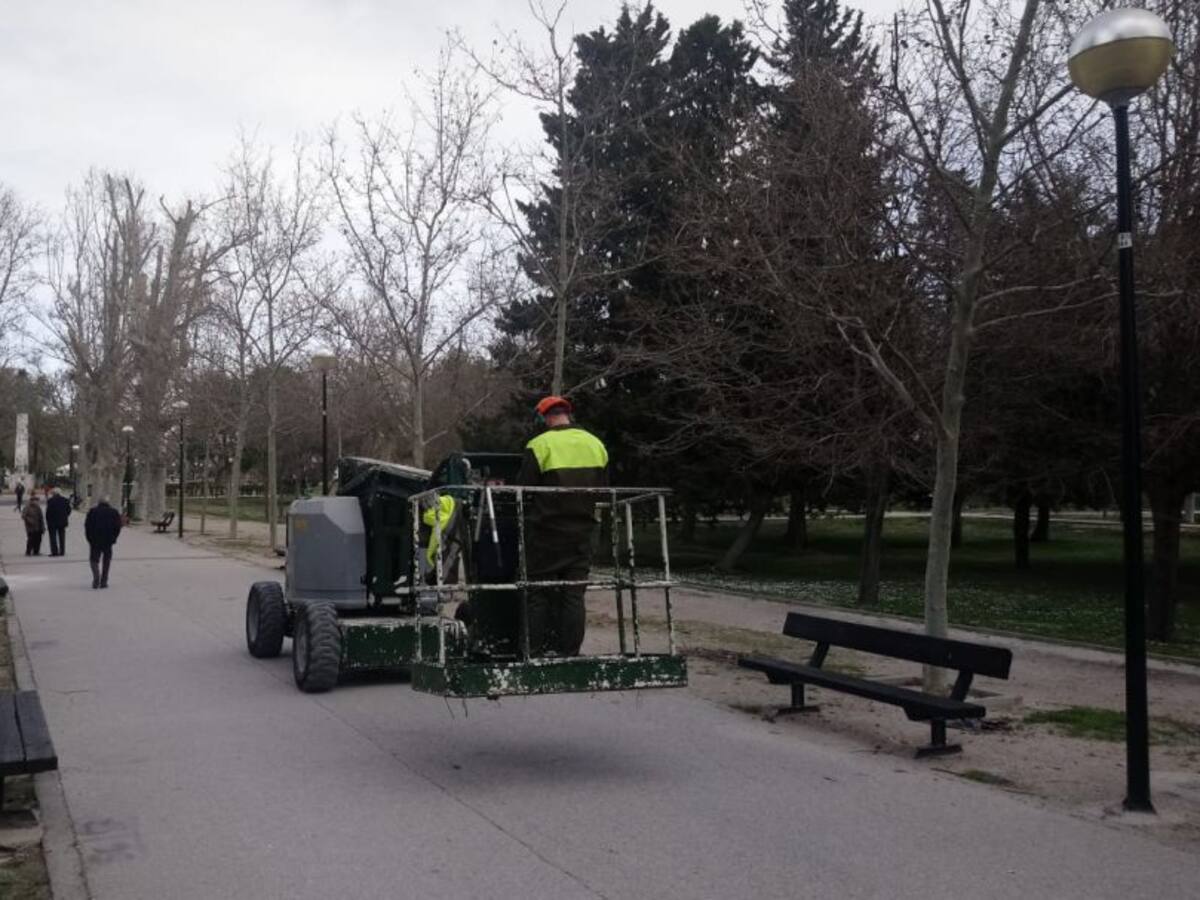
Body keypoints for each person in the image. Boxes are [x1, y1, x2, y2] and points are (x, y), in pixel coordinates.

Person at [515, 395, 608, 656]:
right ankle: (570, 653)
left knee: (537, 593)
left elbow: (524, 488)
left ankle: (533, 652)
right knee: (573, 595)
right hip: (583, 533)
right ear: (568, 414)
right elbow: (602, 489)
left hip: (546, 533)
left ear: (544, 417)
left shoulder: (539, 444)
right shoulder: (595, 444)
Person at [84, 497, 123, 589]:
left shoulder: (92, 511)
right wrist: (114, 538)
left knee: (93, 560)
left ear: (99, 503)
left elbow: (87, 526)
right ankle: (104, 581)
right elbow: (118, 527)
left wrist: (89, 538)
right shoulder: (114, 512)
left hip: (95, 540)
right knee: (106, 560)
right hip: (108, 540)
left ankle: (96, 577)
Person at [46, 487, 72, 557]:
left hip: (52, 522)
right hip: (62, 521)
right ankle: (62, 551)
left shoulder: (50, 501)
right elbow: (69, 510)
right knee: (62, 537)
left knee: (53, 537)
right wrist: (65, 516)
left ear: (53, 493)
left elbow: (48, 512)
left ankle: (54, 552)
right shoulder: (65, 500)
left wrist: (48, 520)